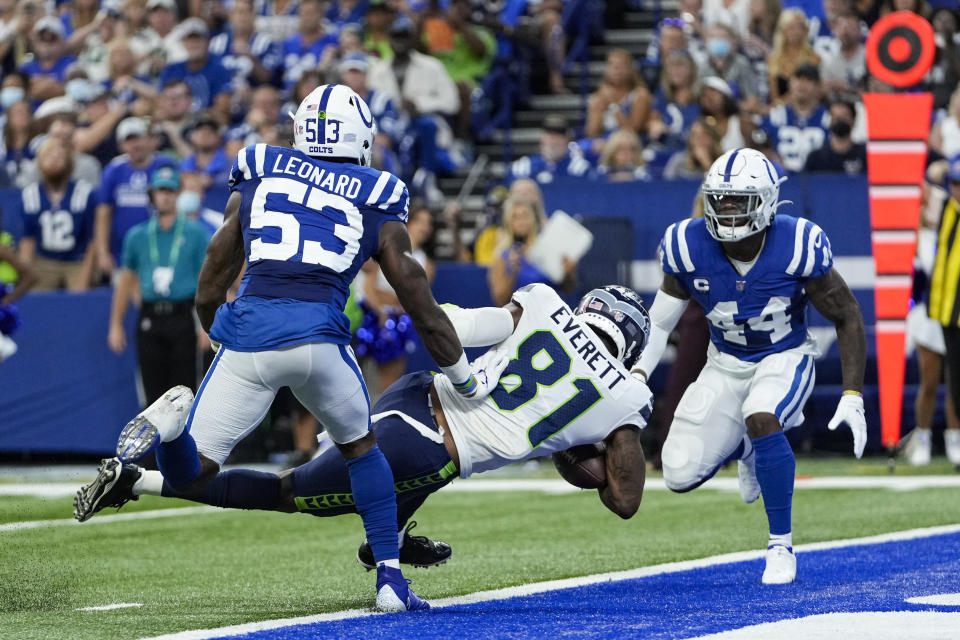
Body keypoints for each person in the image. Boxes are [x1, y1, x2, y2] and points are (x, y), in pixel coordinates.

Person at [78, 84, 489, 613]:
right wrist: (464, 378)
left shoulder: (260, 167)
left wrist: (217, 328)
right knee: (362, 450)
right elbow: (418, 300)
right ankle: (390, 580)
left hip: (251, 330)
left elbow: (212, 274)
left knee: (189, 474)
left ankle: (173, 429)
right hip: (320, 337)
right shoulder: (377, 189)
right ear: (359, 136)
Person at [75, 283, 653, 568]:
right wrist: (569, 447)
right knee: (286, 492)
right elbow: (624, 498)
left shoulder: (545, 302)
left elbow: (461, 326)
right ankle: (139, 479)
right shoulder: (626, 394)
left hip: (417, 392)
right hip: (429, 447)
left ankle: (393, 544)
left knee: (422, 479)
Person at [634, 148, 867, 584]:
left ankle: (780, 545)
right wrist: (637, 378)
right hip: (724, 365)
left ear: (765, 201)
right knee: (678, 472)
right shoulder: (686, 244)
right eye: (720, 199)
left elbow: (847, 315)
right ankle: (749, 449)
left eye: (738, 200)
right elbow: (659, 323)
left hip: (785, 356)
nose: (726, 210)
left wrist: (852, 395)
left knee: (762, 414)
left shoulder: (797, 243)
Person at [107, 166, 210, 404]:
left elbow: (206, 280)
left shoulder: (195, 233)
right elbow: (126, 280)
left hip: (183, 315)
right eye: (160, 191)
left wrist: (206, 326)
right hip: (150, 316)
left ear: (178, 195)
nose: (165, 196)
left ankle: (185, 441)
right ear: (152, 195)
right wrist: (115, 324)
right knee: (152, 391)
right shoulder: (137, 235)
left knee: (185, 390)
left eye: (170, 191)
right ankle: (157, 442)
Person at [355, 204, 435, 395]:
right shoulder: (385, 246)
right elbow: (368, 284)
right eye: (420, 221)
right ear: (409, 222)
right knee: (357, 378)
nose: (424, 227)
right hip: (365, 317)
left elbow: (417, 299)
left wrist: (392, 305)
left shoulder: (427, 262)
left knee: (389, 383)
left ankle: (382, 420)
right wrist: (380, 309)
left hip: (398, 323)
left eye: (428, 223)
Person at [94, 117, 178, 274]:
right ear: (121, 145)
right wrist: (103, 252)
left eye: (139, 138)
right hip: (122, 254)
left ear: (149, 139)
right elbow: (104, 212)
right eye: (130, 140)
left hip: (162, 249)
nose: (136, 144)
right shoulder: (114, 169)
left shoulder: (166, 165)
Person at [17, 138, 97, 291]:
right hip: (43, 260)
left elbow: (92, 241)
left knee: (80, 300)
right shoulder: (31, 194)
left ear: (69, 163)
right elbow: (27, 241)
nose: (54, 161)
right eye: (48, 157)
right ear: (39, 163)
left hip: (77, 260)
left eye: (59, 157)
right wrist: (25, 275)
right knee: (36, 299)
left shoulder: (84, 193)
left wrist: (85, 277)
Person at [927, 159, 960, 466]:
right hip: (948, 310)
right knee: (956, 382)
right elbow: (922, 190)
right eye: (953, 182)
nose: (956, 189)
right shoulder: (947, 208)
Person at [488, 196, 576, 306]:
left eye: (525, 216)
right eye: (515, 217)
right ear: (508, 222)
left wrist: (568, 273)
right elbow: (500, 301)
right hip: (522, 318)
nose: (521, 221)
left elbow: (568, 289)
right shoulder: (502, 256)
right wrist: (512, 273)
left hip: (554, 314)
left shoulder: (547, 248)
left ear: (533, 219)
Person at [157, 18, 234, 124]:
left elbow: (223, 109)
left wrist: (192, 116)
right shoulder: (171, 70)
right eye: (190, 40)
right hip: (176, 122)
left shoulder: (219, 70)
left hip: (207, 125)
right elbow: (161, 105)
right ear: (183, 43)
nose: (194, 44)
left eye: (198, 39)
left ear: (207, 42)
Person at [760, 63, 829, 172]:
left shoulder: (828, 118)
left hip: (818, 181)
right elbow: (761, 147)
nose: (802, 84)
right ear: (790, 83)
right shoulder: (775, 116)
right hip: (782, 181)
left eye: (808, 80)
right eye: (798, 78)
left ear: (818, 86)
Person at [507, 114, 592, 185]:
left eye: (559, 136)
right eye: (550, 135)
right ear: (542, 139)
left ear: (567, 140)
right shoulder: (523, 167)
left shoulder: (580, 168)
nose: (554, 141)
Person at [586, 48, 652, 138]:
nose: (618, 70)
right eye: (613, 66)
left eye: (622, 65)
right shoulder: (599, 96)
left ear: (631, 69)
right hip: (603, 143)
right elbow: (591, 134)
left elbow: (632, 132)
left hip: (630, 144)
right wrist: (597, 109)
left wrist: (613, 106)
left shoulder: (640, 95)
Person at [766, 9, 819, 104]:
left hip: (806, 106)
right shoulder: (774, 60)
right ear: (783, 31)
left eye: (799, 27)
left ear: (805, 31)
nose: (795, 32)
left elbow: (815, 93)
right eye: (791, 27)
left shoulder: (814, 58)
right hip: (780, 109)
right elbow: (774, 98)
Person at [803, 94, 865, 174]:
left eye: (844, 117)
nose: (839, 120)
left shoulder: (864, 156)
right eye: (835, 117)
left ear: (853, 120)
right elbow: (805, 185)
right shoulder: (815, 158)